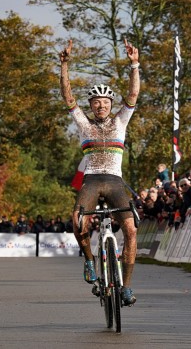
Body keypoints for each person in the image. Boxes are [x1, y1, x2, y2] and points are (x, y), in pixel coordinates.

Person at [60, 37, 140, 306]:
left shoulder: (120, 120)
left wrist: (134, 65)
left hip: (115, 182)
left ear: (110, 104)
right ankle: (90, 261)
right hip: (92, 181)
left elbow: (133, 96)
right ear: (92, 106)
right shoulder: (84, 124)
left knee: (130, 229)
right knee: (77, 220)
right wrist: (64, 66)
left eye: (105, 102)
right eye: (96, 103)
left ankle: (126, 286)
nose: (101, 106)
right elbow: (68, 98)